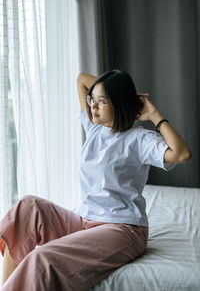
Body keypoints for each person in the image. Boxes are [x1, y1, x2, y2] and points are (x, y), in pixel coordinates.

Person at [0, 70, 191, 291]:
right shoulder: (95, 129)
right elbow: (81, 79)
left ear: (118, 105)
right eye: (93, 99)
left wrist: (154, 113)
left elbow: (182, 153)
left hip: (122, 229)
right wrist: (122, 95)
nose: (93, 106)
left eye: (101, 102)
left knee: (42, 258)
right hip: (84, 222)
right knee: (27, 207)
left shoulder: (139, 139)